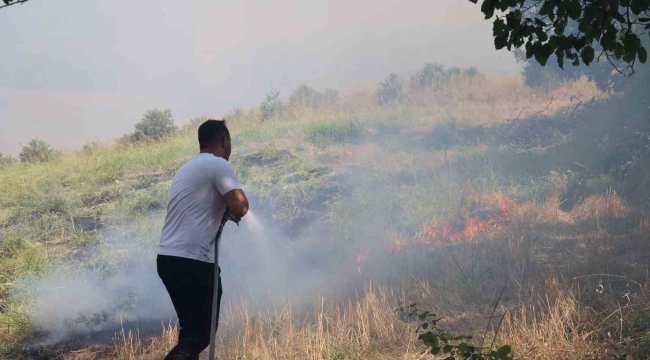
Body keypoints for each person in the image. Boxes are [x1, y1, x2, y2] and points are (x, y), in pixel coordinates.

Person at [157, 119, 249, 360]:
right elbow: (240, 205)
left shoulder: (187, 168)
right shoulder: (218, 164)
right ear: (223, 141)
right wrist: (235, 210)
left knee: (190, 334)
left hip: (168, 259)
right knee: (200, 335)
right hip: (193, 262)